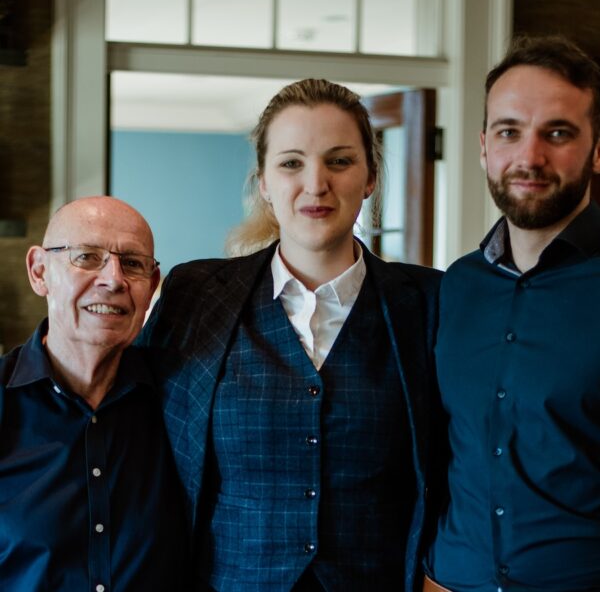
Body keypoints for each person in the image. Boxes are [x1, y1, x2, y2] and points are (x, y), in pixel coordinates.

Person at [140, 79, 442, 591]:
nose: (316, 183)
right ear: (263, 181)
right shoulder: (196, 294)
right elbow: (136, 425)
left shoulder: (429, 302)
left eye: (340, 161)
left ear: (370, 177)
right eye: (291, 163)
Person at [424, 36, 600, 592]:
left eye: (557, 133)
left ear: (597, 148)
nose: (529, 157)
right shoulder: (457, 286)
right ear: (482, 147)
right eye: (509, 131)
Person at [0, 197, 189, 591]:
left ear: (151, 287)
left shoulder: (182, 402)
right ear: (39, 272)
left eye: (134, 264)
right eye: (87, 257)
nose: (114, 279)